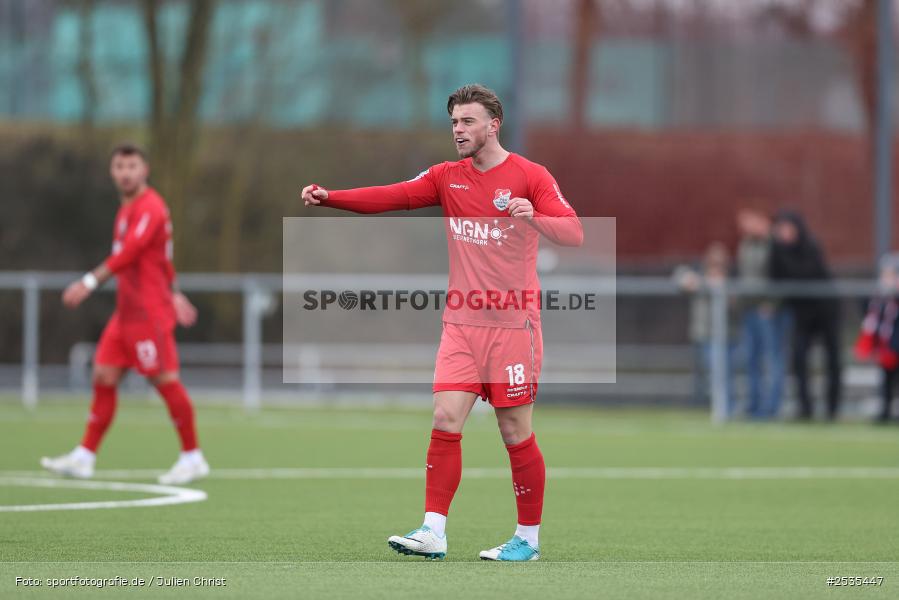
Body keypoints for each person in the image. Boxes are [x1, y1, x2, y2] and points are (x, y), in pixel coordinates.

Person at [300, 84, 583, 561]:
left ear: (493, 125)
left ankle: (528, 540)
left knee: (514, 432)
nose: (458, 130)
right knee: (445, 417)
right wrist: (332, 198)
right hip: (461, 325)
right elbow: (393, 196)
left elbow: (573, 232)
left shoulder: (531, 176)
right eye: (454, 122)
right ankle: (433, 530)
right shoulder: (446, 177)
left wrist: (535, 217)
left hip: (513, 328)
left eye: (468, 121)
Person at [41, 143, 210, 485]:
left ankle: (192, 457)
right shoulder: (126, 209)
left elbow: (131, 253)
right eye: (120, 166)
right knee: (104, 375)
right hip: (126, 312)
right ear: (112, 172)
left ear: (145, 170)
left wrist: (89, 282)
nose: (126, 173)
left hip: (149, 313)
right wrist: (175, 290)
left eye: (132, 166)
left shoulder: (151, 207)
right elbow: (160, 259)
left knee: (163, 380)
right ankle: (84, 457)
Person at [769, 210, 841, 420]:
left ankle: (832, 410)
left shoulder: (810, 246)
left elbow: (807, 273)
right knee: (799, 358)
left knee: (833, 359)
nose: (785, 233)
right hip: (801, 312)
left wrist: (785, 258)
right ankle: (805, 409)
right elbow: (775, 278)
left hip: (825, 310)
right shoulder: (777, 250)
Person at [736, 209, 789, 419]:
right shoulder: (746, 244)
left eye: (751, 221)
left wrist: (772, 303)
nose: (746, 226)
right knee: (751, 357)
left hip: (768, 311)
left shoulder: (776, 245)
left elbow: (782, 276)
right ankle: (754, 404)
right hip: (749, 308)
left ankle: (772, 407)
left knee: (772, 357)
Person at [673, 242, 737, 413]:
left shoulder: (731, 279)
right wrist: (693, 281)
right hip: (703, 334)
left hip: (725, 335)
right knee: (707, 373)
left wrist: (723, 290)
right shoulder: (699, 276)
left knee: (723, 373)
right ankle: (708, 405)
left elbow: (736, 306)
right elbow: (680, 279)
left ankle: (726, 407)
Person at [854, 253, 899, 423]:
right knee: (886, 380)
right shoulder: (879, 297)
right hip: (887, 346)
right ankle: (885, 411)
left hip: (896, 344)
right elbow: (869, 315)